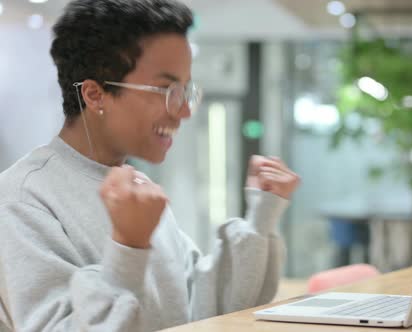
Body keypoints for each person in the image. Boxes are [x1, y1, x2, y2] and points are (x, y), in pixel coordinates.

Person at [0, 0, 300, 331]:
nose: (184, 111)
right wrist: (128, 245)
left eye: (185, 91)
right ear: (95, 94)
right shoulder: (20, 199)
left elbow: (202, 307)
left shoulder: (137, 189)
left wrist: (261, 215)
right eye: (165, 89)